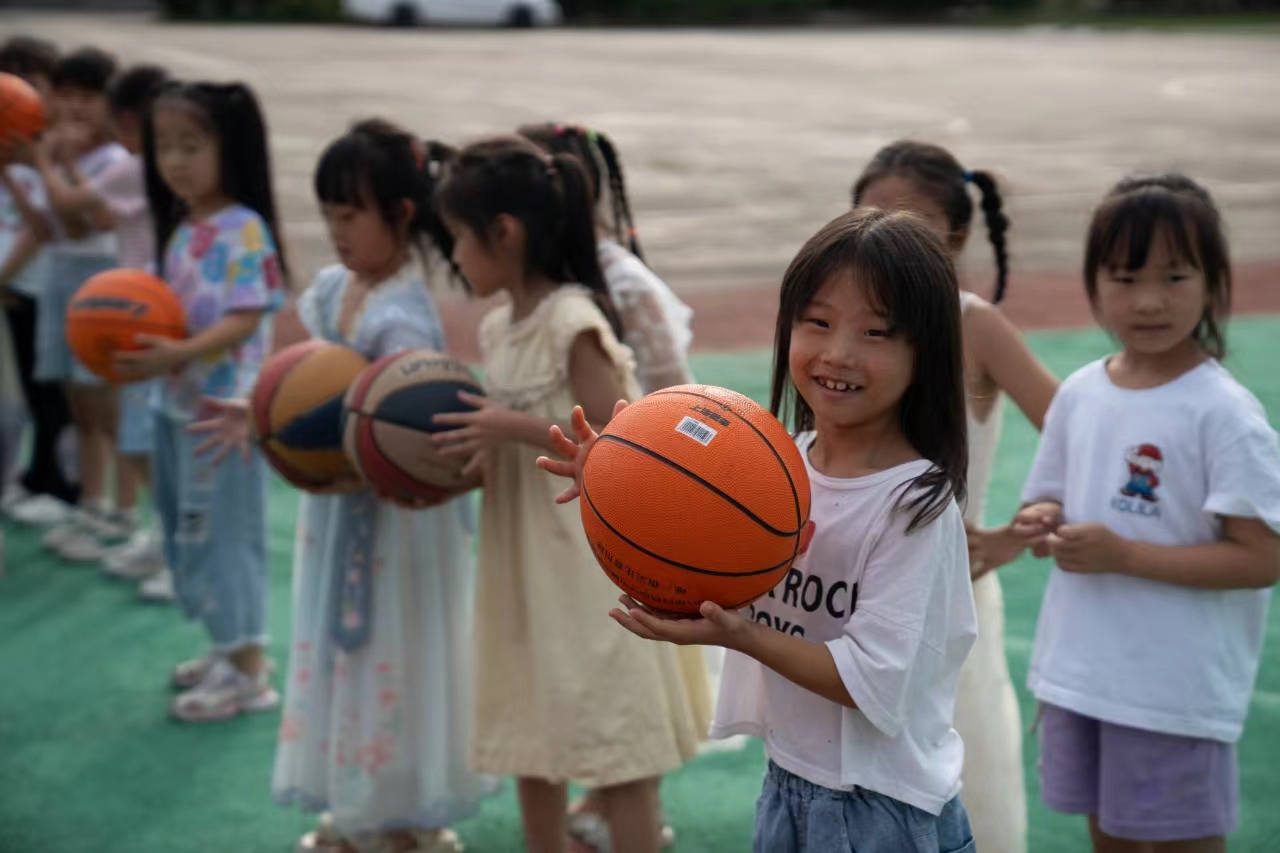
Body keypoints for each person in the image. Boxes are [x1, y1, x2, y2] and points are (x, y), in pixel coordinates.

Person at [541, 208, 979, 852]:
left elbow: (871, 680)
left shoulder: (913, 504)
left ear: (927, 353)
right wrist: (618, 478)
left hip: (882, 806)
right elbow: (703, 545)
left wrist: (741, 636)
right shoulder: (775, 466)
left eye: (876, 332)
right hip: (789, 780)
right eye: (818, 322)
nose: (838, 352)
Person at [432, 136, 702, 853]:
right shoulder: (500, 326)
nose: (453, 254)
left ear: (504, 233)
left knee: (620, 753)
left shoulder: (573, 321)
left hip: (588, 569)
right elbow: (511, 453)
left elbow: (626, 443)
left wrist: (513, 427)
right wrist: (464, 461)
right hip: (525, 566)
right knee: (534, 736)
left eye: (458, 236)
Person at [1012, 174, 1280, 853]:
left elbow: (1261, 557)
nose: (1149, 300)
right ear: (1094, 282)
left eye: (1175, 276)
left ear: (1214, 284)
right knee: (1110, 835)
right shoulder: (1081, 393)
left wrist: (1126, 554)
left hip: (1171, 689)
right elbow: (1048, 498)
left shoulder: (1223, 413)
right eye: (1125, 277)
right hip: (1083, 671)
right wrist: (1042, 521)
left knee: (1184, 840)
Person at [851, 140, 1060, 853]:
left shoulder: (973, 325)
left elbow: (1085, 435)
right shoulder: (843, 323)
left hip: (948, 600)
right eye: (869, 218)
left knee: (961, 783)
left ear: (959, 234)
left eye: (911, 221)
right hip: (852, 595)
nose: (888, 238)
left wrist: (1012, 536)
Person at [519, 121, 707, 853]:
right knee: (596, 667)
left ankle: (631, 811)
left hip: (637, 495)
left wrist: (658, 475)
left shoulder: (618, 282)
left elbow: (678, 393)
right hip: (580, 497)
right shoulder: (548, 282)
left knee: (625, 673)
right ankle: (608, 804)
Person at [119, 80, 286, 721]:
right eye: (165, 146)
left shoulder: (244, 229)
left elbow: (245, 317)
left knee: (225, 539)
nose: (175, 161)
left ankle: (248, 673)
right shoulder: (185, 224)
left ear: (229, 148)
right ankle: (227, 649)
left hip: (225, 420)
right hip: (178, 407)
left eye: (191, 145)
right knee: (188, 533)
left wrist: (177, 354)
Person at [27, 47, 136, 560]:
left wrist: (55, 165)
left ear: (110, 105)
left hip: (100, 280)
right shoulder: (55, 155)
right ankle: (92, 505)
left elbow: (87, 222)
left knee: (109, 407)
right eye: (65, 95)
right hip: (61, 275)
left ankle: (124, 511)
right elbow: (47, 224)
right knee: (81, 407)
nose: (74, 107)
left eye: (88, 97)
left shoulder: (114, 161)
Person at [0, 35, 79, 526]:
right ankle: (36, 476)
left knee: (52, 393)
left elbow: (40, 226)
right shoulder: (14, 149)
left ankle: (62, 485)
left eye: (31, 81)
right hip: (16, 289)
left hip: (40, 285)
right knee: (31, 391)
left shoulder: (47, 152)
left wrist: (3, 276)